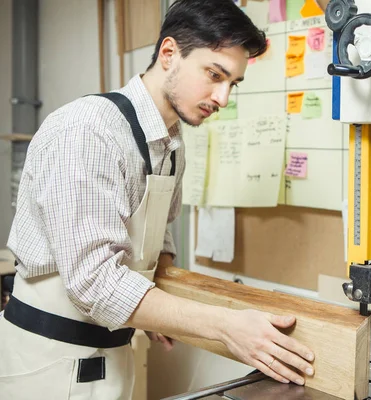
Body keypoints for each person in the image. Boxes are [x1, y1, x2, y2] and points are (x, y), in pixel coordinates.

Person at [0, 0, 315, 398]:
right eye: (214, 75)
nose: (222, 97)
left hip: (113, 356)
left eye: (232, 83)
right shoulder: (88, 130)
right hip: (46, 363)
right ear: (169, 54)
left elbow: (156, 237)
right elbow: (94, 282)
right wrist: (224, 327)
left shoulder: (172, 146)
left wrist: (161, 308)